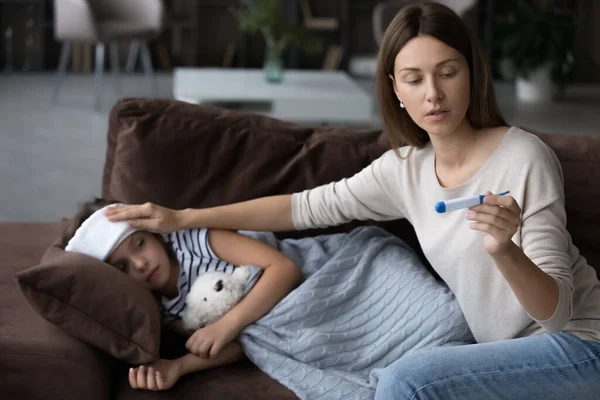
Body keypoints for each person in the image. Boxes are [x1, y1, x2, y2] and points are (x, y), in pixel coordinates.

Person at [106, 2, 600, 399]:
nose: (433, 94)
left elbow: (556, 316)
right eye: (414, 78)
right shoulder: (404, 169)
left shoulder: (523, 157)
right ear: (395, 89)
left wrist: (504, 250)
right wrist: (183, 217)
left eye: (447, 72)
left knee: (406, 382)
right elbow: (300, 208)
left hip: (580, 348)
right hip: (502, 359)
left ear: (471, 73)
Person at [63, 198, 303, 392]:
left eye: (139, 244)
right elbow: (246, 343)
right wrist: (178, 366)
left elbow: (284, 269)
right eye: (122, 267)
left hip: (304, 276)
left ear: (152, 234)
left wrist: (229, 323)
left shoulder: (195, 240)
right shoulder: (166, 312)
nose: (140, 264)